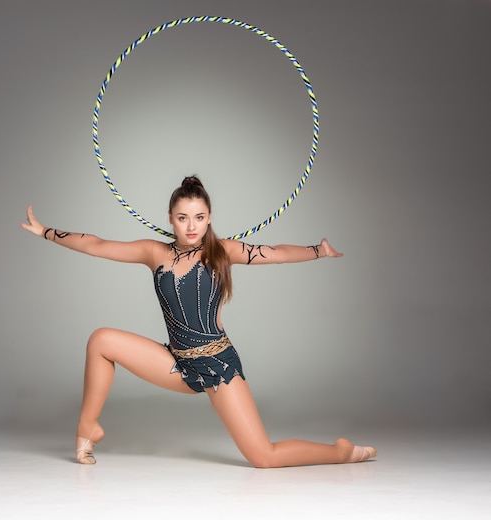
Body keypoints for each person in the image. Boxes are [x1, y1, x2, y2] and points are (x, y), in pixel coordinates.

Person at [21, 176, 377, 468]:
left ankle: (340, 452)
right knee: (101, 340)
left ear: (209, 217)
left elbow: (277, 253)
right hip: (175, 362)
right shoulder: (154, 252)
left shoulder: (222, 251)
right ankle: (87, 427)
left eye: (199, 217)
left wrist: (318, 250)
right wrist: (46, 232)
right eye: (182, 218)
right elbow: (97, 244)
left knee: (263, 457)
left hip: (218, 365)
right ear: (170, 217)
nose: (191, 226)